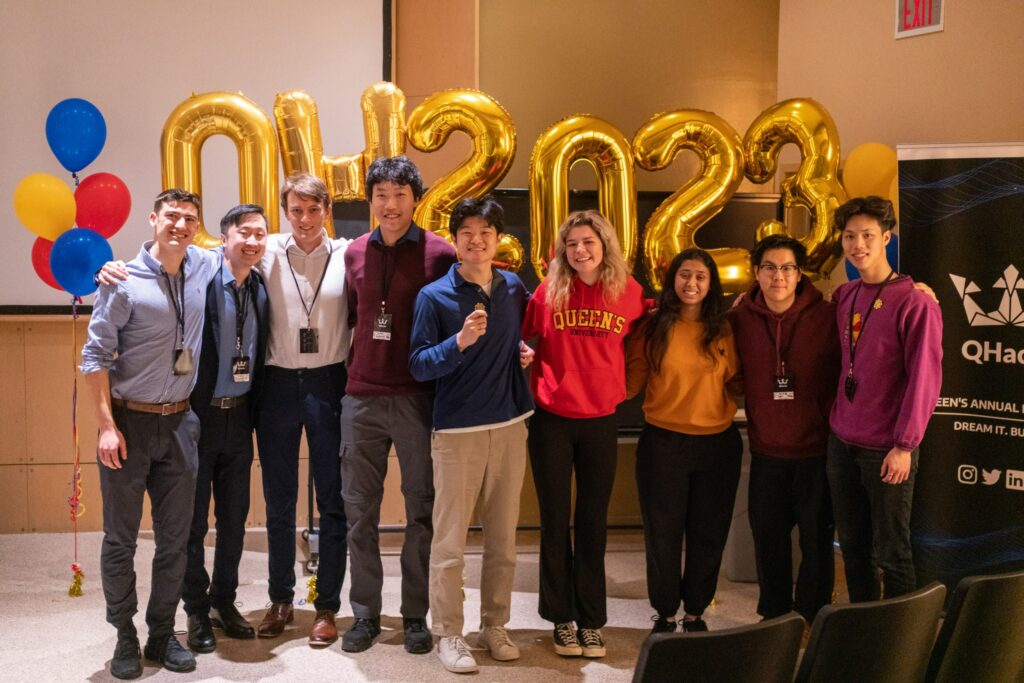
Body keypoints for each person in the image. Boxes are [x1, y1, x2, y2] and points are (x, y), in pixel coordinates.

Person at [82, 189, 220, 678]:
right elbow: (94, 358)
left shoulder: (204, 265)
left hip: (181, 423)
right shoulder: (122, 280)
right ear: (153, 219)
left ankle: (162, 635)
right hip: (128, 424)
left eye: (189, 219)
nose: (181, 226)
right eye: (172, 217)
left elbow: (251, 243)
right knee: (120, 539)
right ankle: (125, 634)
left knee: (176, 540)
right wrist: (105, 428)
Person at [409, 196, 535, 673]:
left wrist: (520, 350)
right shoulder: (434, 297)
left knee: (503, 540)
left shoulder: (512, 287)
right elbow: (418, 365)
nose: (476, 240)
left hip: (508, 426)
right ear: (455, 240)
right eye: (467, 233)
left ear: (497, 239)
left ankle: (495, 625)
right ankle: (449, 633)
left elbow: (516, 338)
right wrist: (458, 342)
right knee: (449, 545)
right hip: (457, 432)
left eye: (486, 232)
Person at [340, 156, 458, 654]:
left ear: (416, 198)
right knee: (359, 512)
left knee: (421, 511)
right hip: (361, 395)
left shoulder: (440, 253)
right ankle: (365, 614)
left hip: (417, 398)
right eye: (381, 196)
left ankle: (415, 615)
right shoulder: (352, 253)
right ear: (371, 201)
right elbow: (352, 314)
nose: (390, 205)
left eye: (400, 195)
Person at [520, 210, 647, 658]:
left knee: (592, 522)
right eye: (571, 243)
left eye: (588, 242)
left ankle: (592, 621)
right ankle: (561, 619)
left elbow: (642, 344)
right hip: (552, 417)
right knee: (555, 521)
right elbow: (523, 342)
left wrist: (625, 387)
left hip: (599, 419)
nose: (580, 250)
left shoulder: (629, 293)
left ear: (604, 244)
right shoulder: (547, 291)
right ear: (562, 250)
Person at [827, 195, 942, 602]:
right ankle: (863, 631)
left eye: (868, 235)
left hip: (887, 450)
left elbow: (925, 379)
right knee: (853, 551)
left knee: (892, 553)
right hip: (842, 443)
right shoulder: (845, 296)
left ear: (886, 238)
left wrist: (905, 445)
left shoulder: (915, 302)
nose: (858, 244)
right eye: (849, 236)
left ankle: (898, 647)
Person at [254, 173, 351, 646]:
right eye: (296, 210)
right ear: (284, 212)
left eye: (314, 210)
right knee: (278, 499)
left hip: (329, 382)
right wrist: (115, 267)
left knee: (332, 499)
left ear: (326, 211)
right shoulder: (266, 250)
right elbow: (195, 257)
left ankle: (327, 607)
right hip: (277, 384)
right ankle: (279, 599)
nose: (306, 219)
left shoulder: (348, 254)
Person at [626, 248, 743, 634]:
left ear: (711, 285)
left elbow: (739, 381)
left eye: (700, 277)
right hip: (663, 445)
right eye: (684, 275)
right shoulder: (652, 326)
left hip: (717, 446)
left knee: (708, 534)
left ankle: (695, 612)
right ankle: (665, 612)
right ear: (672, 280)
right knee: (663, 534)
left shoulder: (726, 328)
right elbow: (631, 383)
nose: (691, 283)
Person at [728, 234, 838, 624]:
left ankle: (812, 616)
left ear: (799, 273)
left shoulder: (829, 315)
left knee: (816, 543)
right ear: (756, 273)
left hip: (816, 452)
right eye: (770, 267)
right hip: (766, 452)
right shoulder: (738, 317)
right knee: (769, 541)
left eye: (787, 267)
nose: (779, 276)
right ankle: (774, 617)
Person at [182, 205, 270, 653]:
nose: (253, 241)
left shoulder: (259, 285)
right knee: (193, 523)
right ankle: (195, 608)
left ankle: (224, 601)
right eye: (244, 232)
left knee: (234, 520)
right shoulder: (199, 277)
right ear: (223, 237)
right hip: (199, 417)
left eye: (260, 233)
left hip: (240, 417)